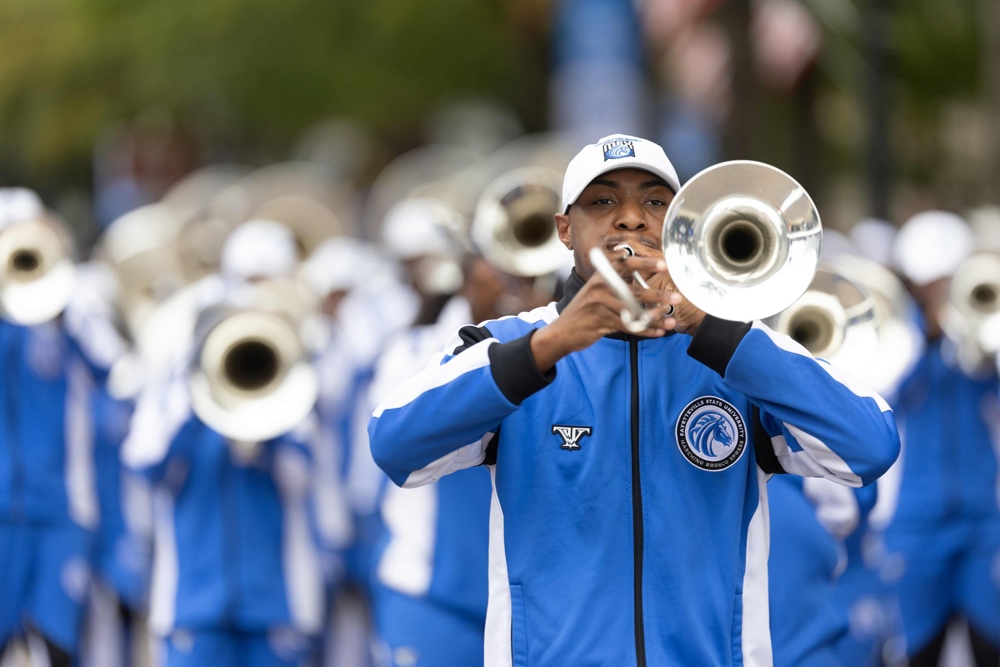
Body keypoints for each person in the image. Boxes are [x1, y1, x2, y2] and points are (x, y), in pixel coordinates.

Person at [368, 134, 900, 666]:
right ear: (564, 230)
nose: (629, 219)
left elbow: (869, 447)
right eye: (602, 201)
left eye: (654, 201)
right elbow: (396, 445)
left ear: (678, 225)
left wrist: (713, 329)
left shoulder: (737, 350)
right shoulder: (509, 343)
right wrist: (550, 344)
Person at [877, 211, 1000, 666]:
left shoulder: (982, 325)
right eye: (933, 282)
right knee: (917, 650)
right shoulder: (894, 334)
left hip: (983, 520)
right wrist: (925, 336)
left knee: (990, 644)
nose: (943, 291)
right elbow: (891, 392)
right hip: (914, 522)